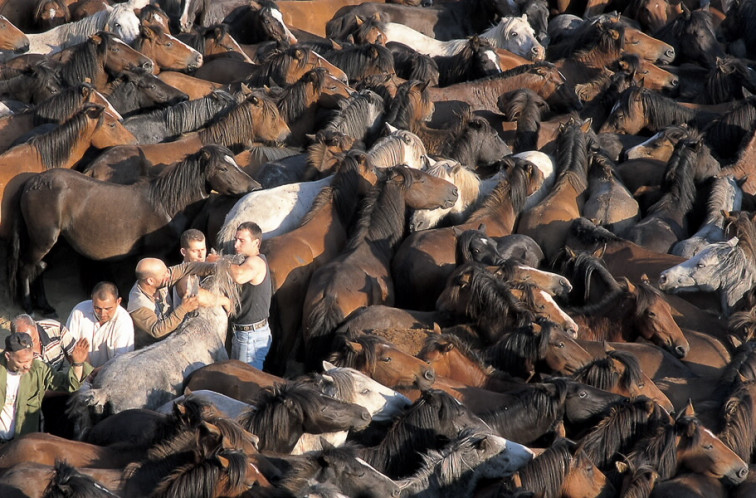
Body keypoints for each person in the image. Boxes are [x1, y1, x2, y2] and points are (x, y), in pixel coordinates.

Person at [0, 332, 92, 440]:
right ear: (8, 356)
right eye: (21, 362)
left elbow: (68, 385)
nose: (27, 366)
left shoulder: (39, 369)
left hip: (23, 442)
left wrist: (78, 364)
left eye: (30, 360)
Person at [127, 257, 227, 348]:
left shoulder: (161, 278)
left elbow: (187, 268)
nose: (168, 275)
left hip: (172, 338)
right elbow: (157, 330)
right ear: (150, 281)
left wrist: (218, 269)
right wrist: (184, 309)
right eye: (164, 274)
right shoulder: (138, 304)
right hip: (153, 349)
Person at [228, 222, 272, 370]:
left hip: (250, 338)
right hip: (246, 334)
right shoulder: (251, 260)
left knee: (244, 386)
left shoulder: (255, 262)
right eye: (236, 239)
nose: (235, 245)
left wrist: (219, 262)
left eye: (241, 241)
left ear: (256, 243)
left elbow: (239, 276)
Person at [66, 281, 134, 368]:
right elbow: (69, 347)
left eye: (108, 308)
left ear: (118, 301)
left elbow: (121, 360)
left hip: (111, 373)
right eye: (97, 308)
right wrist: (87, 370)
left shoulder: (124, 321)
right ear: (92, 299)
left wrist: (97, 372)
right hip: (80, 368)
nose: (102, 313)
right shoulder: (79, 311)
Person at [10, 315, 76, 373]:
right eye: (25, 342)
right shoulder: (15, 350)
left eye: (34, 339)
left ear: (36, 327)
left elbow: (74, 352)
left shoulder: (55, 328)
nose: (31, 344)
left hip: (64, 372)